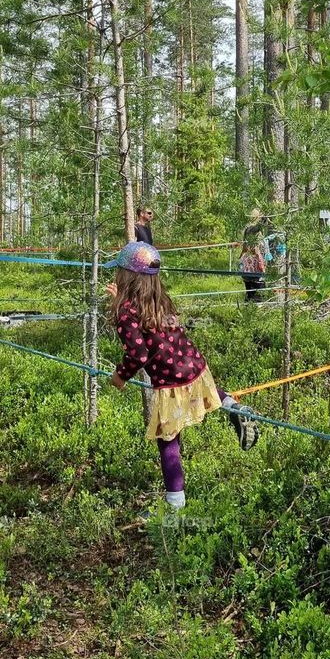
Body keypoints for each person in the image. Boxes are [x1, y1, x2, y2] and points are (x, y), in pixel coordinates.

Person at [107, 242, 259, 512]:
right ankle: (234, 407)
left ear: (126, 277)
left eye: (119, 271)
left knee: (168, 441)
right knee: (209, 393)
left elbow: (139, 355)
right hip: (193, 365)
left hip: (170, 383)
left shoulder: (126, 312)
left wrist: (120, 376)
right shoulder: (161, 300)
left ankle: (175, 506)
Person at [239, 209, 268, 302]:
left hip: (250, 262)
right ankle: (256, 304)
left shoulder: (248, 228)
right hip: (254, 263)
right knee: (257, 285)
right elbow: (260, 226)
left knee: (250, 287)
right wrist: (267, 216)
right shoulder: (252, 228)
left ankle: (249, 304)